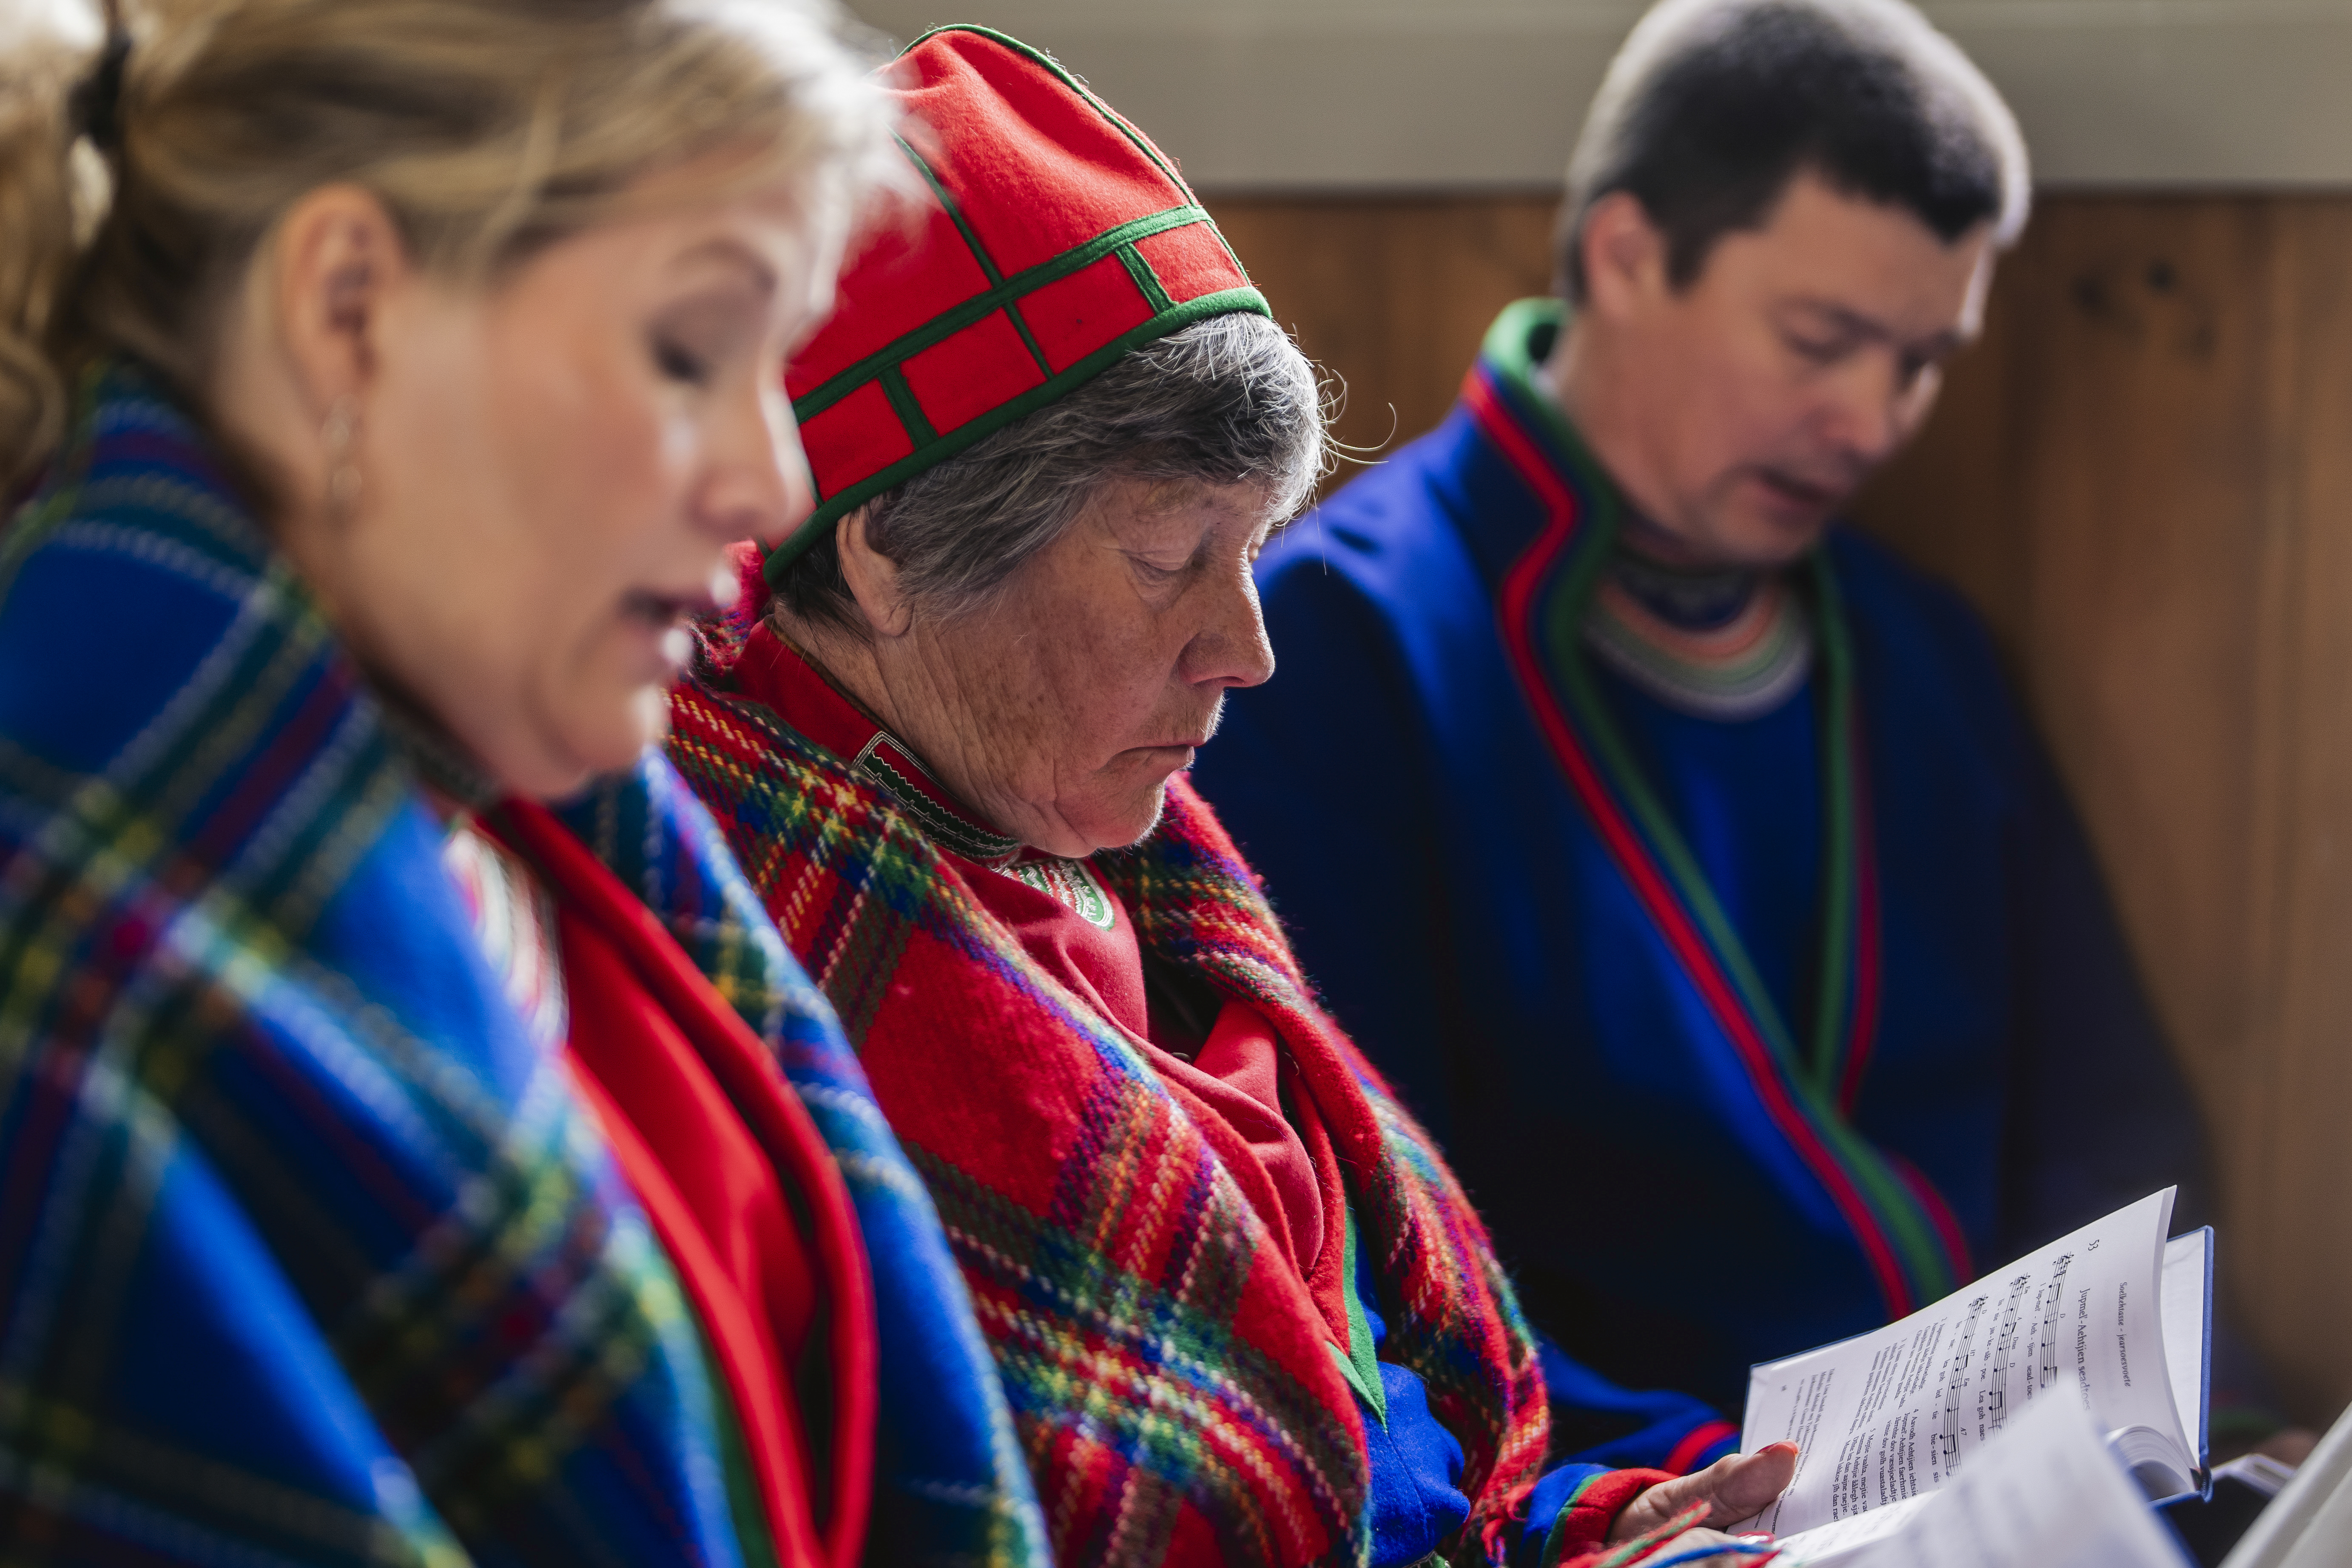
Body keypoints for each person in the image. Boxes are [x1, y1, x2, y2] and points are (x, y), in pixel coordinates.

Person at [668, 25, 1797, 1568]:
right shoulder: (763, 939)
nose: (1250, 650)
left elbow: (1391, 1444)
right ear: (883, 558)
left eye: (1251, 549)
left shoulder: (1099, 834)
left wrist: (1579, 1529)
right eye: (1165, 559)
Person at [0, 1, 1048, 1562]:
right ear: (348, 309)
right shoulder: (62, 928)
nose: (776, 485)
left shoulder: (551, 800)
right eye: (689, 349)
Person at [1194, 0, 2274, 1444]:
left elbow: (2106, 1133)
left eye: (1920, 360)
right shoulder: (1333, 645)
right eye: (1819, 341)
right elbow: (1366, 1258)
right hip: (1628, 1494)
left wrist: (2221, 1426)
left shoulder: (1919, 652)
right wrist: (1693, 1498)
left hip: (2025, 1480)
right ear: (1626, 257)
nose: (1871, 423)